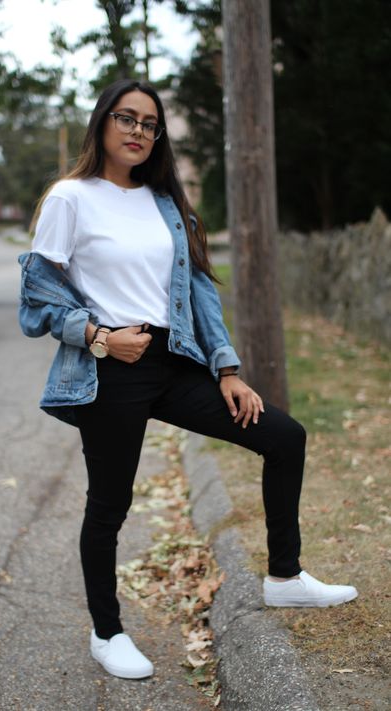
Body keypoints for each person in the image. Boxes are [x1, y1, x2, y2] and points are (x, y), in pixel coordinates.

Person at [18, 78, 357, 680]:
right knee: (110, 505)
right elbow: (37, 296)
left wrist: (226, 367)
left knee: (284, 436)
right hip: (109, 368)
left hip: (174, 361)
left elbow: (198, 290)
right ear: (103, 122)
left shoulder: (166, 202)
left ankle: (284, 576)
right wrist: (97, 336)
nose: (138, 132)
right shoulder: (71, 198)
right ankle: (107, 631)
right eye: (127, 118)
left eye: (150, 124)